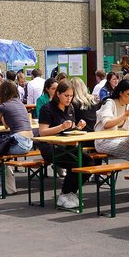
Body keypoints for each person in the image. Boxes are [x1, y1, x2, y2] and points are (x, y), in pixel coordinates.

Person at [38, 80, 92, 209]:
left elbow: (69, 129)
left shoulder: (71, 108)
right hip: (50, 147)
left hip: (67, 145)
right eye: (66, 96)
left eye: (71, 96)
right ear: (58, 94)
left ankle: (71, 192)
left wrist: (78, 128)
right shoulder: (47, 109)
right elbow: (42, 132)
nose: (69, 99)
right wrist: (61, 127)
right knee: (75, 162)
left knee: (89, 162)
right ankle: (64, 194)